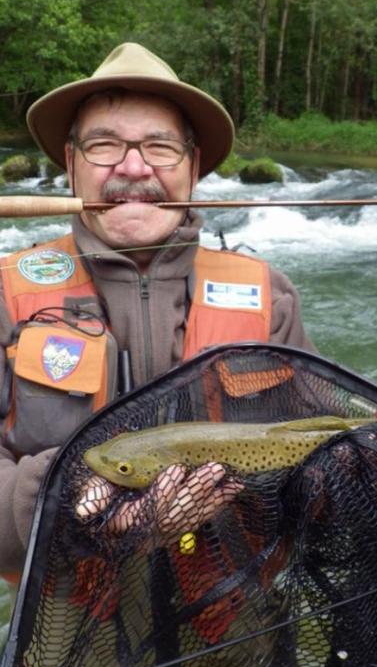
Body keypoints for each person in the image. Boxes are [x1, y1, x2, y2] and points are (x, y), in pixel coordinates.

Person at [0, 42, 316, 579]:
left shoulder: (272, 297)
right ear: (71, 163)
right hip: (64, 624)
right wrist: (67, 505)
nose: (132, 167)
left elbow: (321, 466)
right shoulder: (6, 295)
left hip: (239, 620)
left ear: (193, 166)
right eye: (104, 144)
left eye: (160, 146)